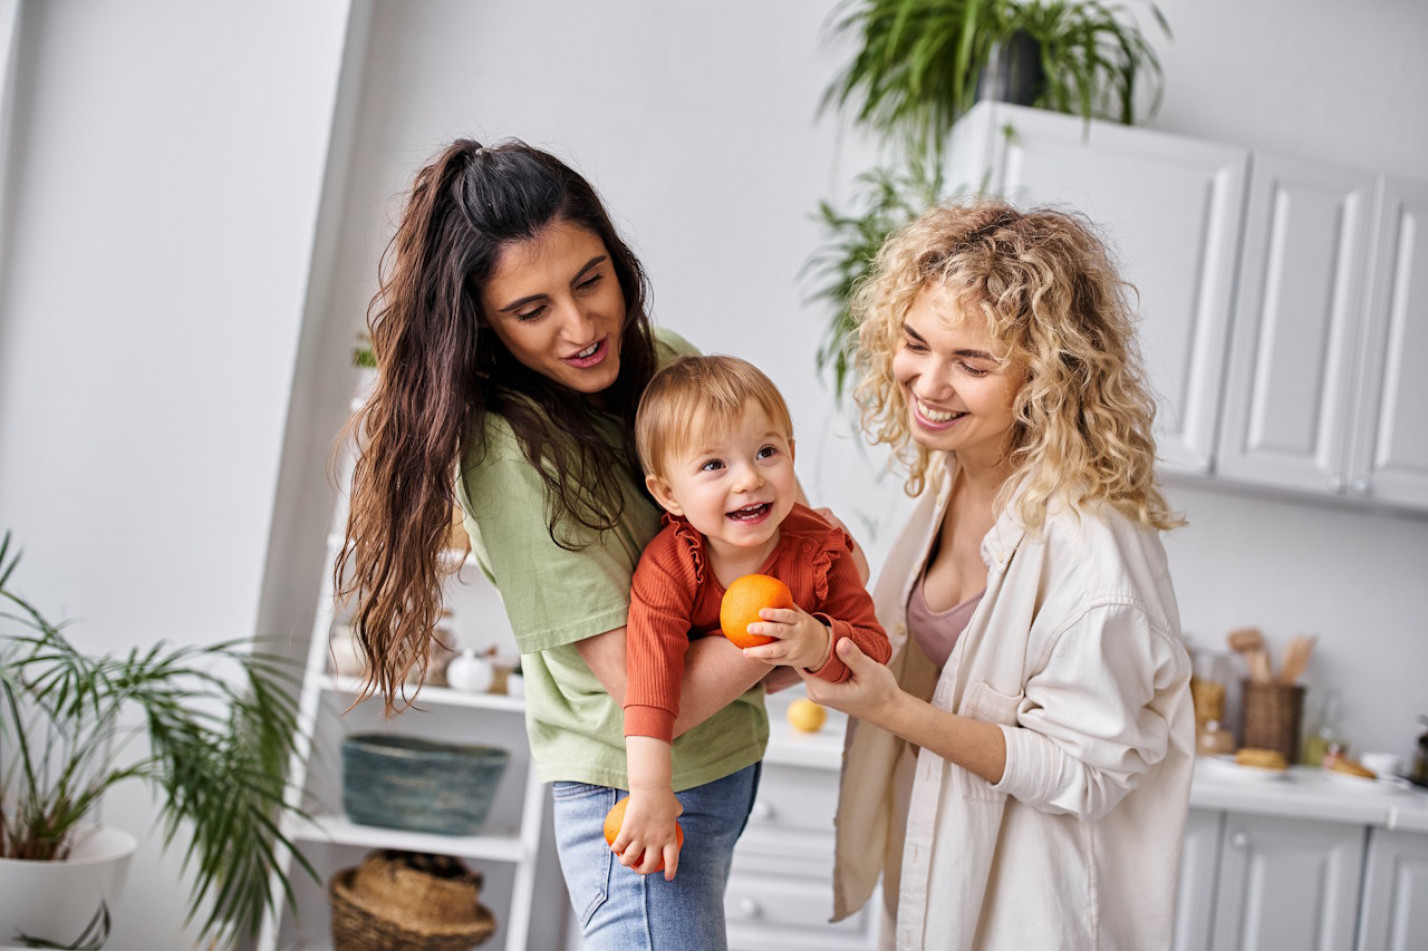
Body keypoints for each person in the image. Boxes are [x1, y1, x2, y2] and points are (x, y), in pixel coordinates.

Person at [339, 139, 795, 949]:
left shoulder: (673, 365)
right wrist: (798, 625)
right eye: (531, 309)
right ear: (482, 321)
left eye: (591, 281)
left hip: (727, 761)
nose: (581, 327)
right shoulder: (507, 456)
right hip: (636, 790)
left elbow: (776, 531)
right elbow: (655, 693)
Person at [806, 200, 1196, 950]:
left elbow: (1082, 771)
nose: (928, 382)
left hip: (1034, 908)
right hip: (933, 875)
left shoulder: (1094, 554)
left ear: (1049, 376)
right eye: (916, 343)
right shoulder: (949, 479)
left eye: (972, 362)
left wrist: (891, 709)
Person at [615, 355, 890, 879]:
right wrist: (650, 791)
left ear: (791, 454)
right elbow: (650, 682)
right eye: (714, 465)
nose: (749, 480)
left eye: (766, 452)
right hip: (671, 753)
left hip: (740, 747)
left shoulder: (822, 551)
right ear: (668, 494)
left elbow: (874, 651)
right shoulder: (667, 567)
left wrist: (817, 645)